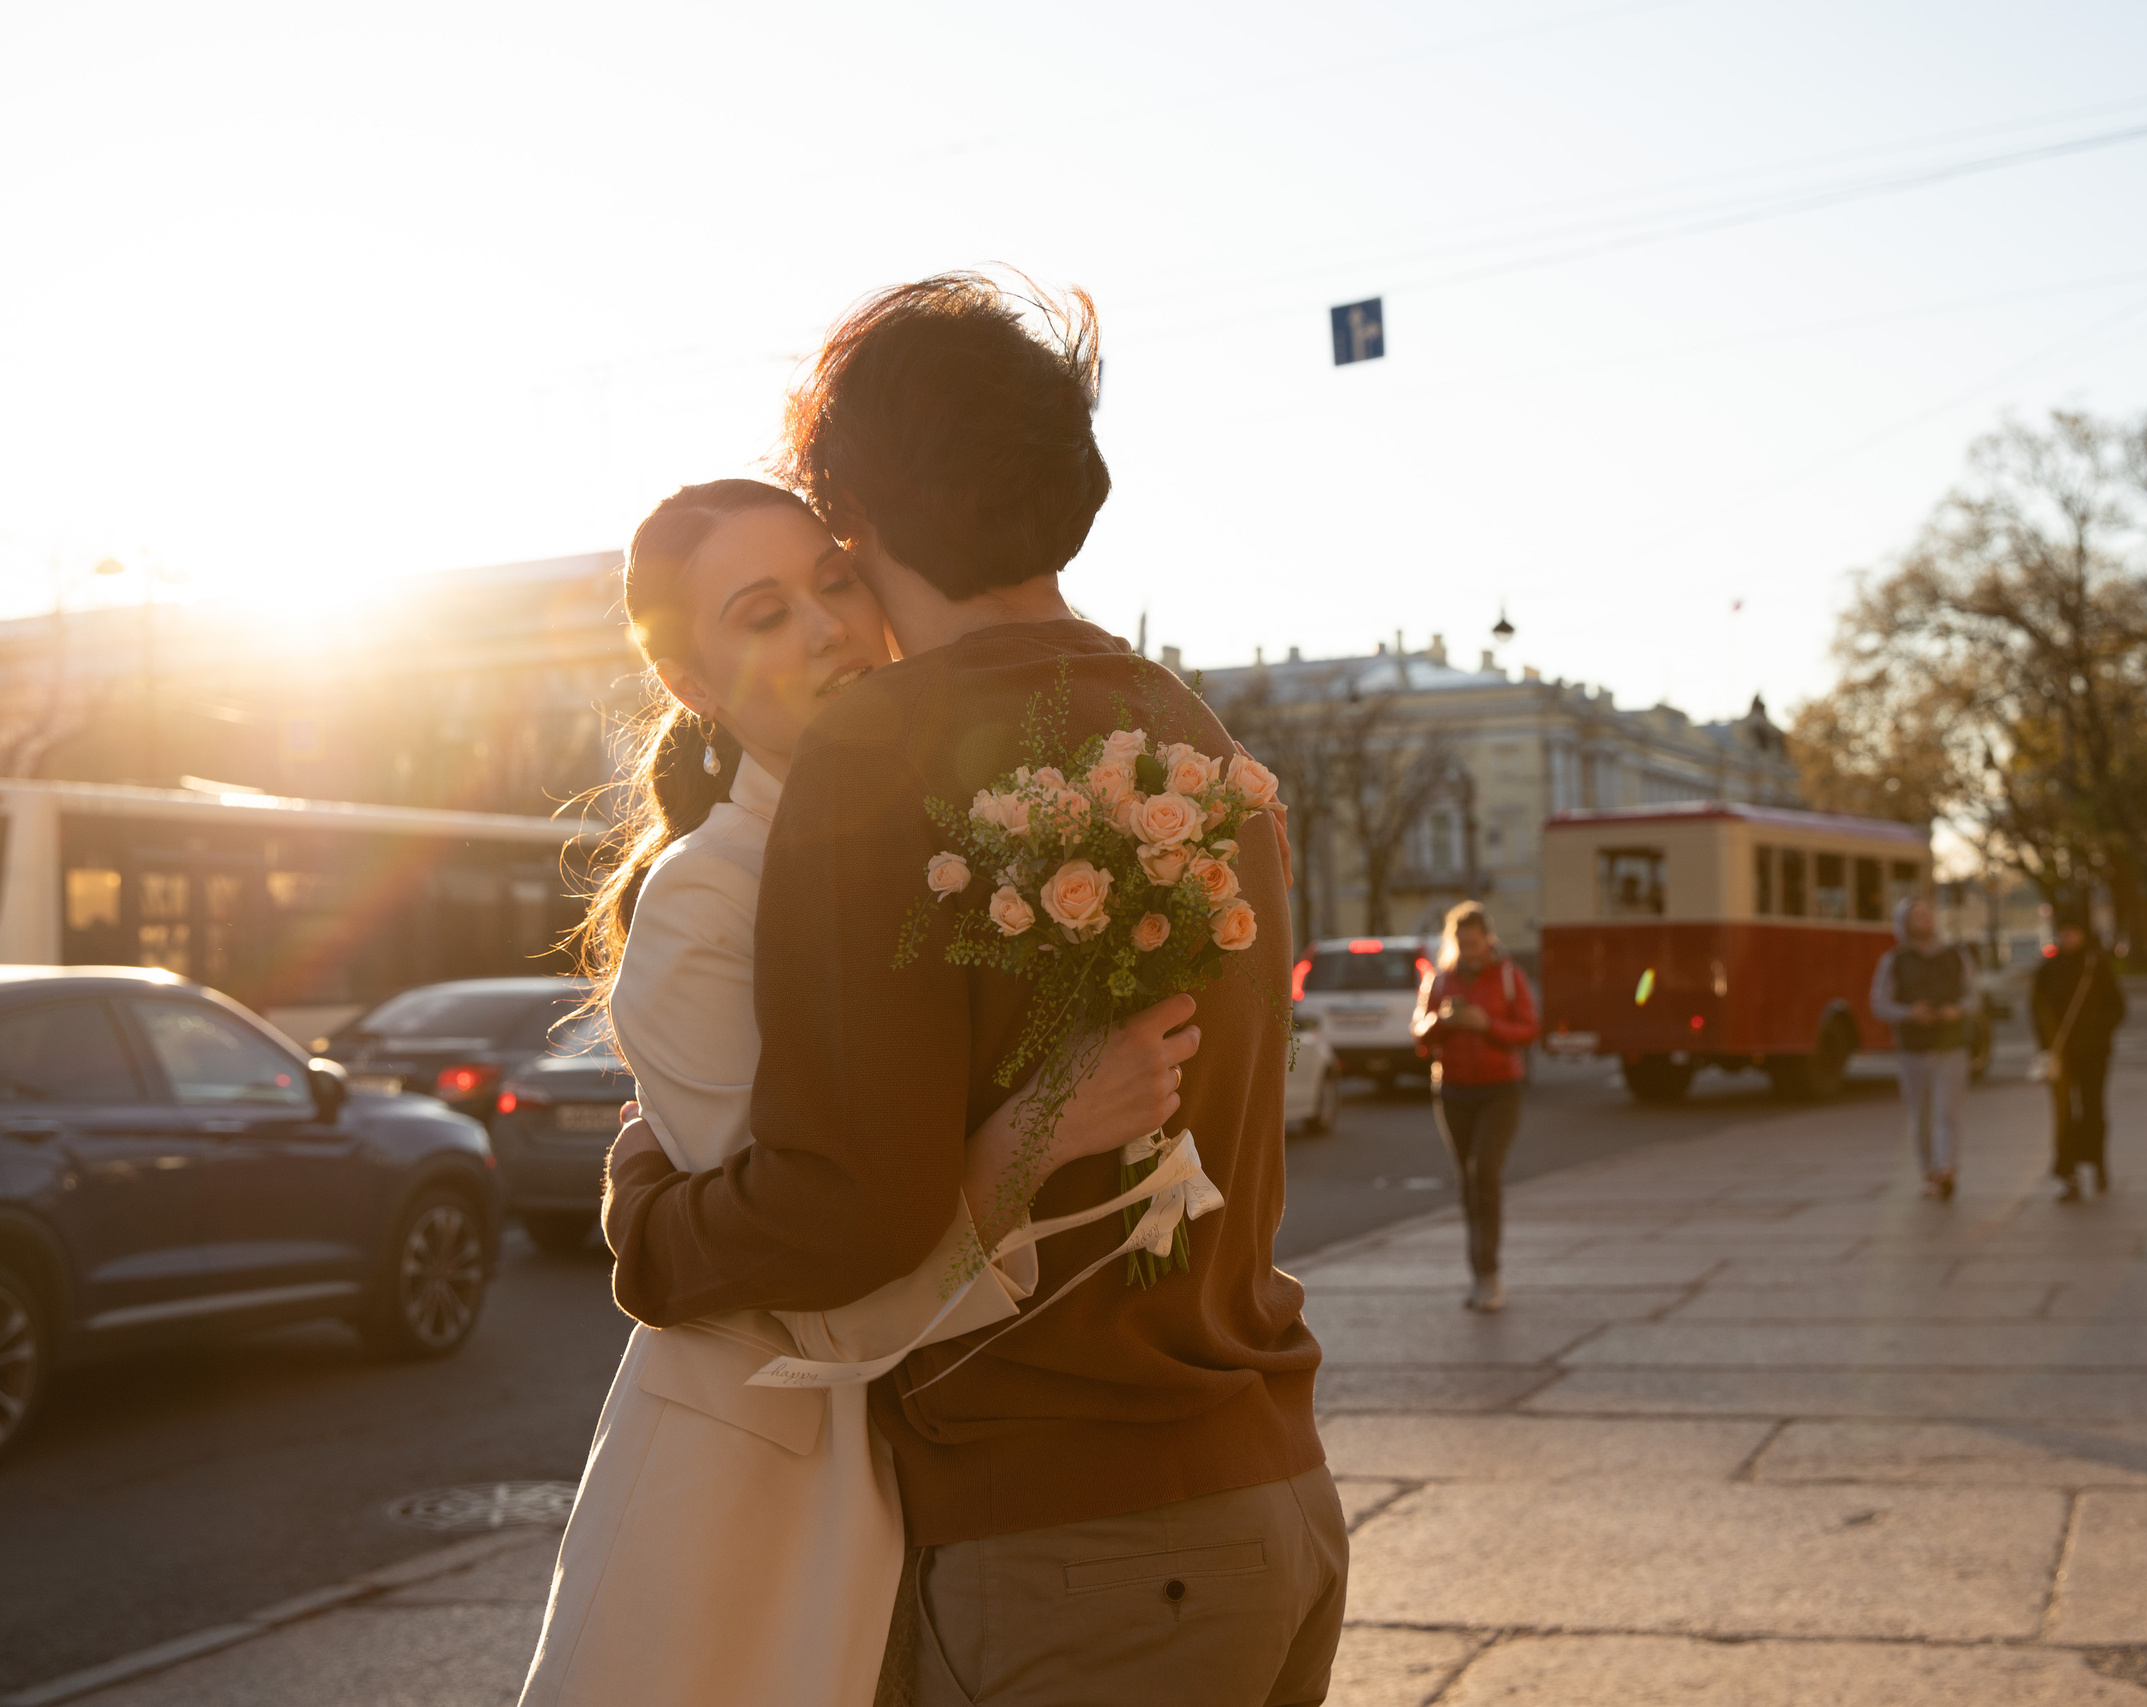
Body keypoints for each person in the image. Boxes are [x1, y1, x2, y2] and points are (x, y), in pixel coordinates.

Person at [601, 277, 1343, 1707]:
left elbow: (848, 1203)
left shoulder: (882, 748)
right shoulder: (1193, 739)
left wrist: (649, 1230)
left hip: (1072, 1539)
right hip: (1275, 1488)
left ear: (857, 518)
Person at [519, 480, 1195, 1707]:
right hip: (762, 1502)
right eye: (763, 613)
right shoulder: (708, 900)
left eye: (835, 582)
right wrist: (1051, 1121)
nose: (830, 626)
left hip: (949, 1493)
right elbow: (808, 1289)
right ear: (695, 686)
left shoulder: (955, 839)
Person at [1411, 901, 1540, 1314]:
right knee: (1468, 1184)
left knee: (1485, 1173)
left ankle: (1490, 1275)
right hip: (1452, 1091)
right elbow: (1419, 1034)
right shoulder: (1441, 979)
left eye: (1475, 941)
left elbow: (1529, 1029)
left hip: (1500, 1090)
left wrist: (1489, 1025)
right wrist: (1443, 1022)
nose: (1469, 949)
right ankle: (1478, 1275)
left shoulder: (1507, 976)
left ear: (1488, 939)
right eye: (1462, 942)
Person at [1870, 895, 1975, 1199]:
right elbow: (1880, 1003)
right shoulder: (1895, 961)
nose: (1924, 920)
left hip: (1951, 1043)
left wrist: (1957, 1010)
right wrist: (1909, 1012)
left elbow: (1973, 997)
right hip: (1912, 1048)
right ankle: (1928, 1170)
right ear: (1904, 923)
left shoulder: (1956, 956)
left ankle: (1947, 1169)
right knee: (1921, 1114)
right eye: (1917, 916)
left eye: (1928, 914)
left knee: (1948, 1112)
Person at [2032, 895, 2126, 1203]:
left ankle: (2098, 1164)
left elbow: (2117, 1007)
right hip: (2061, 1055)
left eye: (2073, 931)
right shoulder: (2048, 969)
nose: (2068, 937)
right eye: (2063, 931)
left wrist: (2097, 1031)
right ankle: (2067, 1171)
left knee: (2093, 1108)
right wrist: (2046, 1045)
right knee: (2063, 1113)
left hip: (2094, 1052)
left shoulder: (2095, 964)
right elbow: (2037, 1008)